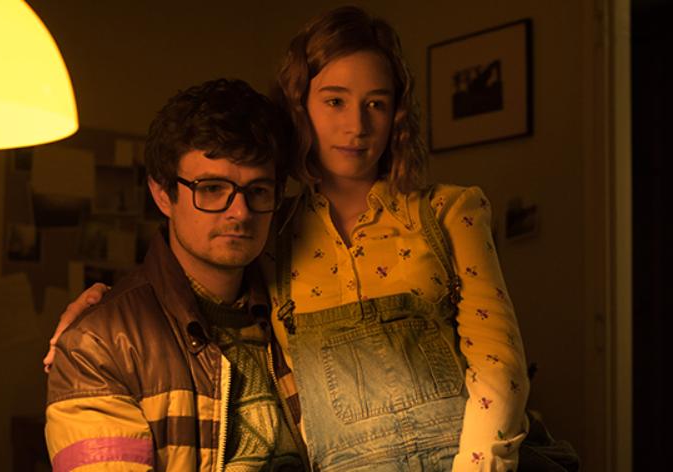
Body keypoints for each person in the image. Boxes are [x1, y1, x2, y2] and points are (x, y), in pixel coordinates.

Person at [46, 7, 530, 471]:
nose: (238, 212)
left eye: (376, 104)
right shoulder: (273, 238)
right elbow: (165, 301)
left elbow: (498, 366)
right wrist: (101, 311)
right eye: (335, 101)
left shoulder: (439, 215)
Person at [44, 78, 305, 472]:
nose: (240, 212)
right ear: (163, 194)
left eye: (258, 191)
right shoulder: (97, 346)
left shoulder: (297, 312)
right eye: (212, 188)